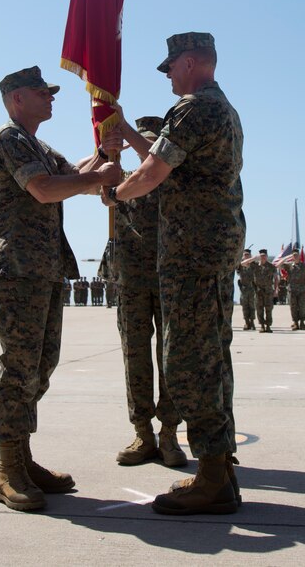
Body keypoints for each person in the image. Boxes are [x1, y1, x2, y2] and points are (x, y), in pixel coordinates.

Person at [104, 32, 245, 516]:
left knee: (191, 360)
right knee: (212, 355)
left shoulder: (192, 108)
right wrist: (123, 128)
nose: (167, 76)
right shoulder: (217, 107)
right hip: (210, 249)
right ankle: (220, 466)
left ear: (189, 63)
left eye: (170, 68)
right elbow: (165, 156)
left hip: (192, 252)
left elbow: (152, 172)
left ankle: (210, 477)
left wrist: (117, 194)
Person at [0, 65, 121, 512]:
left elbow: (74, 175)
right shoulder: (10, 139)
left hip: (43, 269)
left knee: (41, 364)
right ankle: (8, 469)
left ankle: (23, 457)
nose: (52, 98)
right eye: (44, 93)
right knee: (18, 368)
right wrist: (97, 177)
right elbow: (44, 190)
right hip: (19, 268)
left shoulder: (38, 145)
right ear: (17, 97)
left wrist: (105, 150)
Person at [110, 114, 187, 470]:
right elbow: (104, 196)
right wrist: (108, 155)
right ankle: (142, 432)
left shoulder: (171, 178)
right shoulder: (122, 181)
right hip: (131, 279)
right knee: (135, 355)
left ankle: (169, 433)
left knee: (170, 356)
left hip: (168, 276)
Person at [246, 249, 278, 333]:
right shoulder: (255, 265)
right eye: (261, 256)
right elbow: (243, 263)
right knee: (259, 309)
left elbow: (276, 278)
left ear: (267, 256)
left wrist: (275, 290)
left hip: (268, 291)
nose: (263, 257)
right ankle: (262, 326)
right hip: (258, 291)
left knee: (268, 309)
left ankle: (268, 326)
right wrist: (253, 258)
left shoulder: (271, 267)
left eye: (264, 256)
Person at [282, 247, 305, 330]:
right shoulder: (289, 266)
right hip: (292, 290)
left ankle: (302, 322)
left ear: (299, 256)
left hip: (302, 290)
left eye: (297, 255)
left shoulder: (304, 266)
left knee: (301, 306)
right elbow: (278, 264)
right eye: (294, 255)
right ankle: (295, 322)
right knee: (293, 307)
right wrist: (288, 257)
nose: (295, 257)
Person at [237, 249, 256, 331]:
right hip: (244, 289)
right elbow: (239, 267)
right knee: (245, 306)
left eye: (248, 254)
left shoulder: (253, 265)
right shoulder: (240, 265)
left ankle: (252, 322)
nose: (246, 256)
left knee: (252, 306)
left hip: (252, 288)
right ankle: (246, 322)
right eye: (245, 255)